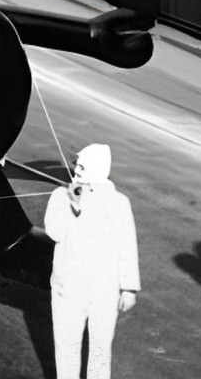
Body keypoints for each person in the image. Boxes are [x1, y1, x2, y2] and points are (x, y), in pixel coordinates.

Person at [45, 143, 139, 379]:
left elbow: (127, 245)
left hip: (104, 292)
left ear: (99, 169)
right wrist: (72, 207)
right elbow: (54, 232)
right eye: (77, 164)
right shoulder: (61, 196)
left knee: (99, 350)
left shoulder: (119, 203)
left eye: (83, 166)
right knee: (66, 349)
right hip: (68, 289)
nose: (76, 169)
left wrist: (129, 288)